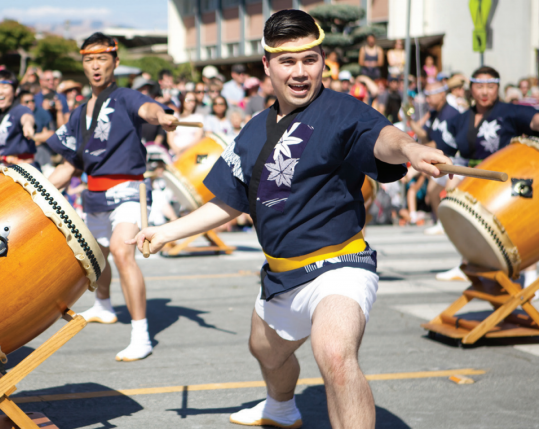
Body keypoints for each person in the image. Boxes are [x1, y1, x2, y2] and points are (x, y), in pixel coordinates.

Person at [128, 10, 450, 427]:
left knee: (335, 354)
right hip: (281, 274)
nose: (300, 72)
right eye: (288, 61)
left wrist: (408, 148)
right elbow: (229, 201)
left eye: (310, 60)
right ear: (267, 65)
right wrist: (166, 231)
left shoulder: (343, 111)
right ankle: (281, 408)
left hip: (340, 267)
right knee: (265, 351)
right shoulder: (252, 130)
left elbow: (383, 137)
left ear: (322, 61)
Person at [45, 32, 177, 362]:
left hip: (127, 190)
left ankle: (141, 333)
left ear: (115, 62)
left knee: (121, 251)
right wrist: (37, 191)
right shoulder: (78, 113)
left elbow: (148, 109)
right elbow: (67, 167)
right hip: (93, 193)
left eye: (102, 58)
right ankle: (103, 306)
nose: (95, 66)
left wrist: (163, 115)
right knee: (96, 256)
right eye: (89, 59)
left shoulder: (127, 97)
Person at [434, 66, 539, 281]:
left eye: (490, 87)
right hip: (472, 180)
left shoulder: (510, 111)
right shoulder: (462, 118)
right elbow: (443, 146)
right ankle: (466, 262)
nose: (484, 92)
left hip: (503, 180)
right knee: (458, 210)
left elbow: (534, 121)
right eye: (479, 86)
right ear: (470, 89)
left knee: (518, 225)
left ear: (497, 88)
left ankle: (529, 273)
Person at [405, 80, 461, 234]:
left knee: (450, 194)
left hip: (455, 161)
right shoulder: (434, 113)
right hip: (441, 159)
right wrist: (409, 120)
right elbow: (424, 135)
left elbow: (439, 145)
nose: (427, 99)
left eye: (430, 96)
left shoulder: (451, 114)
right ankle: (442, 224)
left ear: (442, 94)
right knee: (432, 191)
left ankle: (454, 226)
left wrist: (415, 154)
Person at [168, 91, 204, 156]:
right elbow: (170, 138)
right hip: (174, 153)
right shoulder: (174, 117)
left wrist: (183, 150)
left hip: (191, 152)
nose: (191, 103)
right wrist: (177, 151)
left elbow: (198, 138)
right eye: (188, 100)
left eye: (194, 101)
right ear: (182, 100)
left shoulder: (199, 118)